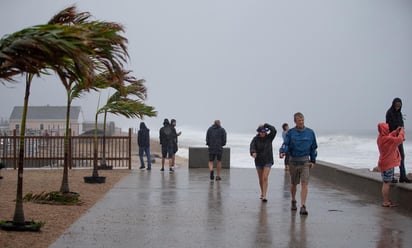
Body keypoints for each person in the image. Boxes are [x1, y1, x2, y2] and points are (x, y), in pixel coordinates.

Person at [279, 112, 317, 215]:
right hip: (293, 161)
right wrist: (282, 152)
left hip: (305, 162)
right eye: (299, 121)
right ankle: (293, 200)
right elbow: (285, 144)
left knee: (304, 184)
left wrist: (313, 160)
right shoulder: (290, 133)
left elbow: (313, 148)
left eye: (302, 120)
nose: (301, 122)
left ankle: (303, 206)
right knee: (294, 184)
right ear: (295, 121)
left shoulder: (310, 132)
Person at [377, 123, 404, 207]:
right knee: (386, 183)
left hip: (383, 163)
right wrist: (402, 131)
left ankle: (386, 200)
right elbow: (399, 139)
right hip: (388, 164)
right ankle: (386, 202)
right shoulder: (388, 139)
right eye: (387, 128)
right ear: (384, 130)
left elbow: (389, 136)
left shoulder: (380, 138)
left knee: (386, 182)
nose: (388, 130)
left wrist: (396, 131)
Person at [386, 97, 411, 183]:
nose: (397, 107)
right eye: (396, 105)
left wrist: (402, 134)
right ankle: (391, 177)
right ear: (393, 105)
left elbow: (401, 125)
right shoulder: (389, 113)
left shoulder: (399, 114)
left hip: (399, 139)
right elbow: (389, 126)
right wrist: (396, 131)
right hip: (392, 139)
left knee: (402, 156)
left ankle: (403, 176)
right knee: (392, 157)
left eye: (399, 106)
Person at [250, 123, 277, 202]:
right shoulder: (255, 139)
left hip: (268, 160)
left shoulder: (269, 138)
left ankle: (264, 195)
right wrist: (253, 152)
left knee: (265, 177)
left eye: (264, 132)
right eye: (261, 132)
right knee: (261, 178)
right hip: (258, 161)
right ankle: (262, 192)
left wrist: (266, 125)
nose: (263, 133)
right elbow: (252, 147)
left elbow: (274, 130)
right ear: (258, 132)